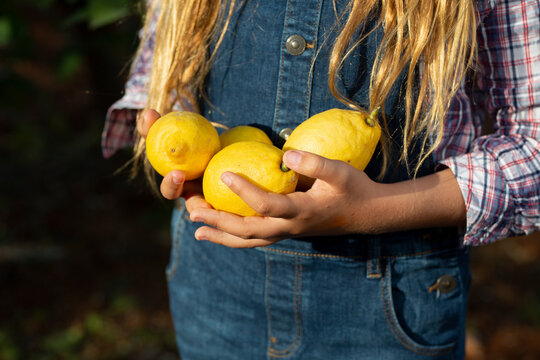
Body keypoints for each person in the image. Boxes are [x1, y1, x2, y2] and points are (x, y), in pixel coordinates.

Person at [102, 0, 540, 359]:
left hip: (389, 304)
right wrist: (181, 133)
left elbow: (532, 143)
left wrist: (371, 211)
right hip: (216, 287)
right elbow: (166, 65)